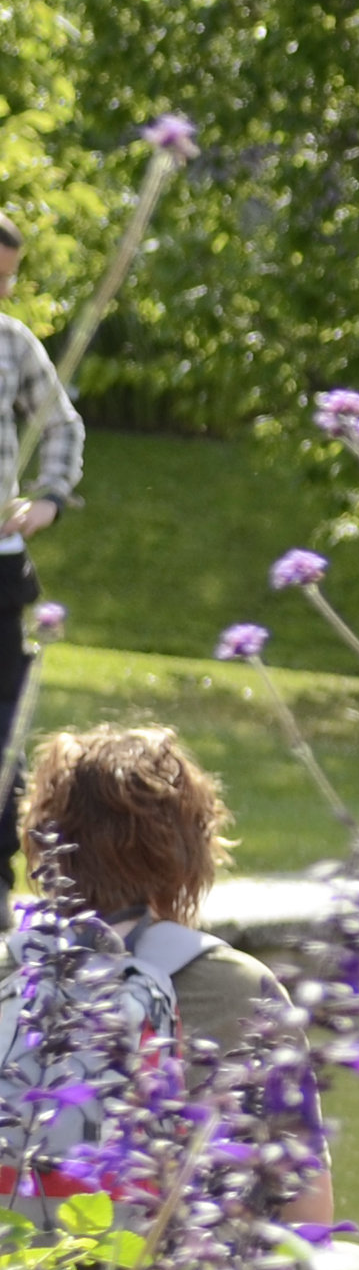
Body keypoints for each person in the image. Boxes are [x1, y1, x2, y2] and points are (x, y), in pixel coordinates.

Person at [4, 726, 323, 1214]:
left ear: (41, 848)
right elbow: (307, 1210)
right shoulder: (240, 988)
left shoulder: (9, 971)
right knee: (353, 1258)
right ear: (190, 854)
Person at [0, 213, 91, 882]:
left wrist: (50, 495)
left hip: (2, 568)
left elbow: (60, 422)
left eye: (9, 279)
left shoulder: (12, 342)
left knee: (3, 722)